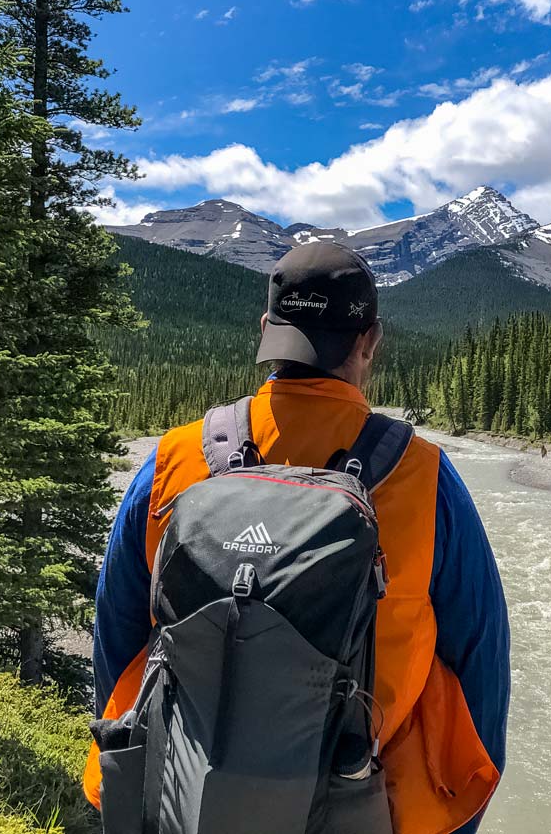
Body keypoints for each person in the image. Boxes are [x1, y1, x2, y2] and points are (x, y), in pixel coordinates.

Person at [84, 241, 511, 834]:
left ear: (267, 330)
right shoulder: (425, 477)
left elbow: (117, 632)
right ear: (369, 341)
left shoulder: (173, 460)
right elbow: (479, 664)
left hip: (190, 800)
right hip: (363, 803)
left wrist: (139, 772)